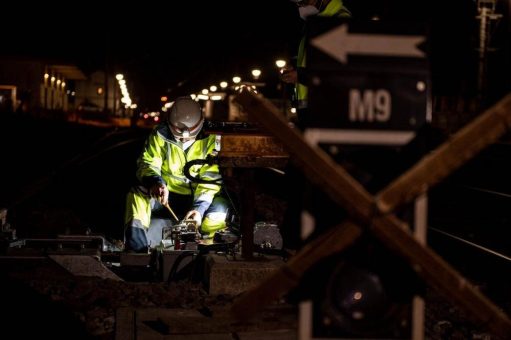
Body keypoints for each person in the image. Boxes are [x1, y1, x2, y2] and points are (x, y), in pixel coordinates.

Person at [123, 96, 231, 252]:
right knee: (137, 196)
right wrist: (156, 183)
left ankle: (210, 251)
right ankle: (137, 252)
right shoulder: (159, 135)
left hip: (198, 199)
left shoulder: (212, 140)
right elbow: (148, 164)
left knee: (219, 211)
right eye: (178, 136)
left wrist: (199, 210)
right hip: (165, 196)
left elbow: (210, 180)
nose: (183, 139)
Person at [281, 0, 351, 129]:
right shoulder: (317, 23)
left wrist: (300, 75)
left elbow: (338, 72)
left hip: (326, 110)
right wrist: (296, 69)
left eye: (302, 2)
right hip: (313, 109)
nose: (301, 7)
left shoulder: (339, 20)